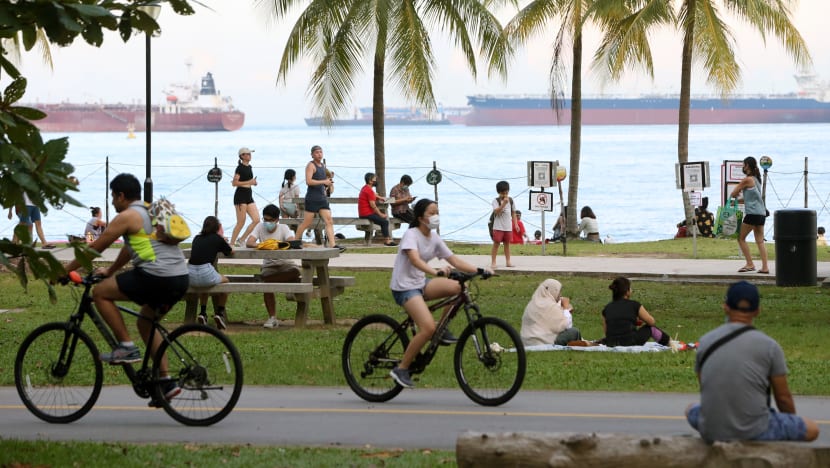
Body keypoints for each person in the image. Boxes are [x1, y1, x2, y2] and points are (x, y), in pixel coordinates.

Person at [62, 173, 189, 401]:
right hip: (179, 278)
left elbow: (95, 248)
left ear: (121, 196)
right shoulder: (150, 211)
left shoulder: (127, 216)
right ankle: (167, 382)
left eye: (113, 197)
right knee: (145, 323)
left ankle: (127, 347)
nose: (112, 202)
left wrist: (65, 270)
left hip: (157, 276)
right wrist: (110, 271)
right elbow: (131, 247)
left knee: (100, 293)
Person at [685, 281, 819, 443]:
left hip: (711, 429)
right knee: (812, 428)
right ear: (757, 311)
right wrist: (791, 425)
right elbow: (783, 398)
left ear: (726, 307)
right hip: (755, 429)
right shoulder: (769, 346)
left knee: (690, 409)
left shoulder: (705, 342)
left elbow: (705, 386)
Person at [388, 198, 491, 388]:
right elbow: (415, 260)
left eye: (437, 212)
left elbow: (454, 260)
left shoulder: (434, 238)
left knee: (459, 287)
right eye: (432, 213)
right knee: (427, 328)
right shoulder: (411, 235)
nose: (436, 216)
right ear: (421, 218)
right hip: (404, 287)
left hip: (420, 284)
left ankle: (441, 330)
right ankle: (401, 369)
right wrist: (436, 272)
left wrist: (480, 270)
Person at [245, 204, 301, 328]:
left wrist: (277, 245)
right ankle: (272, 317)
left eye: (270, 220)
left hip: (286, 264)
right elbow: (249, 242)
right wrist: (263, 245)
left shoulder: (283, 228)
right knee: (268, 285)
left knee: (296, 272)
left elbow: (292, 242)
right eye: (265, 219)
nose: (267, 223)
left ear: (277, 220)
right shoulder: (259, 227)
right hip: (269, 266)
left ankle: (266, 281)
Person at [294, 145, 343, 251]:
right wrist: (323, 181)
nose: (319, 154)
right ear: (312, 155)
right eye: (316, 152)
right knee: (306, 223)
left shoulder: (323, 166)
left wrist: (328, 182)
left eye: (321, 152)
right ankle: (295, 242)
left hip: (322, 198)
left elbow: (323, 181)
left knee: (329, 221)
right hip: (312, 198)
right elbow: (308, 181)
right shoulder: (310, 165)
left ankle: (333, 245)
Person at [188, 216, 233, 329]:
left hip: (190, 274)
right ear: (217, 227)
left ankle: (202, 313)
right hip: (206, 271)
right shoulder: (217, 239)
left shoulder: (197, 238)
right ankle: (220, 313)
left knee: (205, 286)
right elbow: (230, 252)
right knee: (226, 282)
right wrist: (223, 241)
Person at [600, 276, 670, 347]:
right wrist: (640, 318)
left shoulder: (607, 308)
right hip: (631, 341)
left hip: (611, 342)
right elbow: (651, 322)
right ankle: (670, 343)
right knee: (652, 328)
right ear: (627, 292)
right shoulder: (635, 305)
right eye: (630, 288)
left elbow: (607, 331)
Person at [730, 156, 769, 274]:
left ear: (747, 166)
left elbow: (733, 193)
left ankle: (750, 264)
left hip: (752, 214)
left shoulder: (747, 180)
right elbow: (751, 199)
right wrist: (737, 201)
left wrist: (735, 195)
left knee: (741, 238)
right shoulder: (757, 180)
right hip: (761, 213)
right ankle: (765, 267)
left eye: (744, 164)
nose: (743, 167)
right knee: (760, 241)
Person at [521, 279, 581, 346]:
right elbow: (566, 326)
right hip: (543, 342)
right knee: (574, 332)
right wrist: (566, 308)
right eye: (559, 292)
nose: (560, 295)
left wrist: (562, 309)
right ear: (553, 291)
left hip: (527, 342)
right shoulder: (550, 305)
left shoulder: (532, 304)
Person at [229, 147, 260, 247]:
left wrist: (253, 183)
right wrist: (249, 182)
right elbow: (234, 183)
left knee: (256, 219)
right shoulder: (240, 168)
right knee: (241, 222)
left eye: (250, 154)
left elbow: (247, 181)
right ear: (242, 156)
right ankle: (231, 244)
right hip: (240, 196)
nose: (250, 155)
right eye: (248, 154)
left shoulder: (249, 167)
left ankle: (242, 239)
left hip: (249, 195)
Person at [358, 172, 397, 247]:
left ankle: (388, 239)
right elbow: (373, 205)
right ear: (370, 181)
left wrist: (380, 198)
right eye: (375, 179)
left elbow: (374, 195)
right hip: (366, 214)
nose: (376, 181)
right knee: (385, 222)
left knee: (383, 221)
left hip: (363, 213)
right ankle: (387, 241)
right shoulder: (369, 191)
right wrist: (381, 214)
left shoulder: (365, 188)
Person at [490, 180, 516, 269]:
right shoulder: (495, 201)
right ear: (499, 192)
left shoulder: (511, 200)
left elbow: (513, 212)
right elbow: (496, 212)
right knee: (496, 244)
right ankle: (493, 262)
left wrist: (515, 224)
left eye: (506, 192)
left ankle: (508, 261)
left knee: (507, 244)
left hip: (508, 227)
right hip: (498, 227)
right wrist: (504, 204)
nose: (505, 194)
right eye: (503, 192)